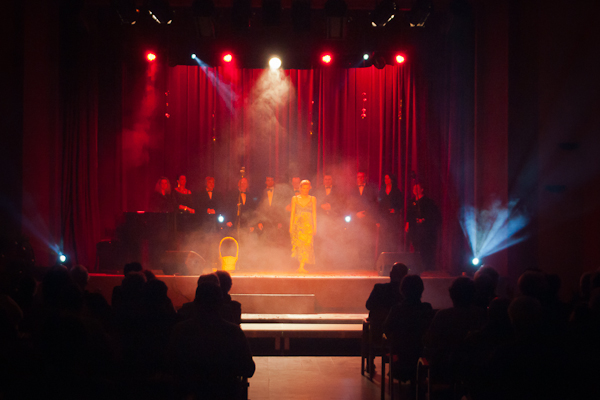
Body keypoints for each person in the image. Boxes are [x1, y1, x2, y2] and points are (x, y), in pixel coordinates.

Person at [405, 183, 441, 271]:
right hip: (414, 227)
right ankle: (417, 265)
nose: (415, 190)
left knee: (424, 247)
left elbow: (432, 213)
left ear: (421, 190)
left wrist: (424, 219)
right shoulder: (412, 201)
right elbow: (409, 214)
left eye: (417, 188)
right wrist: (407, 224)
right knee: (415, 246)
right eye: (414, 188)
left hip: (425, 228)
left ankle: (426, 266)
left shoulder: (427, 201)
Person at [347, 172, 378, 267]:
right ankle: (359, 263)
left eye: (361, 177)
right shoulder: (353, 190)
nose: (359, 178)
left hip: (368, 220)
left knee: (368, 241)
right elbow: (349, 204)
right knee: (358, 241)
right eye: (358, 177)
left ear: (365, 178)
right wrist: (356, 214)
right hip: (357, 220)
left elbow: (374, 204)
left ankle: (368, 263)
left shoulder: (370, 189)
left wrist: (366, 214)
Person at [290, 180, 317, 273]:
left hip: (308, 224)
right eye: (304, 188)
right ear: (300, 188)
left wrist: (315, 227)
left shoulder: (312, 199)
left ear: (310, 188)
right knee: (299, 245)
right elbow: (292, 213)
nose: (305, 190)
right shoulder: (295, 198)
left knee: (306, 245)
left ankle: (302, 266)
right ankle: (300, 266)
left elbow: (314, 214)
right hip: (298, 224)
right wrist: (291, 226)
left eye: (307, 188)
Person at [378, 174, 403, 253]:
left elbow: (401, 203)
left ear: (391, 179)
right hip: (383, 217)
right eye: (385, 178)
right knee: (384, 237)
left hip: (393, 218)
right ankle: (384, 256)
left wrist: (395, 210)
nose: (386, 180)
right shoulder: (382, 190)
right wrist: (378, 220)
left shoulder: (396, 191)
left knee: (392, 237)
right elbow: (379, 205)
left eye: (388, 178)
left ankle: (392, 255)